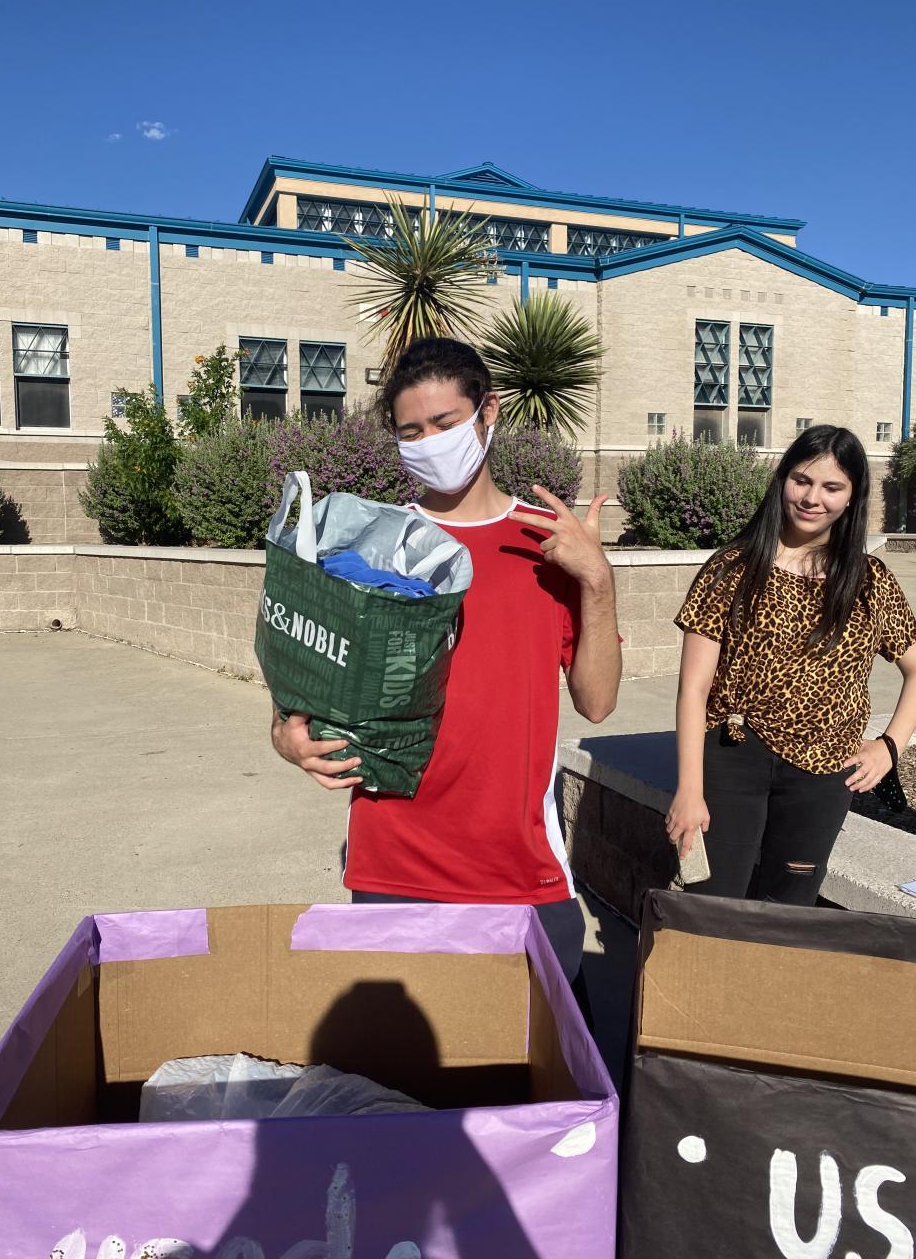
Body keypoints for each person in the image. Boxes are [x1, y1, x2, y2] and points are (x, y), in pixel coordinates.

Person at [271, 337, 622, 982]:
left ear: (488, 413)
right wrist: (287, 738)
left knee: (541, 1044)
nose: (429, 442)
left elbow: (597, 703)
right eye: (411, 432)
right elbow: (304, 689)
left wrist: (597, 580)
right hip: (394, 861)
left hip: (520, 867)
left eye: (445, 422)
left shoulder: (550, 546)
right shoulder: (371, 544)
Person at [666, 424, 916, 904]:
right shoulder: (732, 569)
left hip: (823, 771)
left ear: (852, 496)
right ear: (783, 479)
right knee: (710, 902)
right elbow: (693, 689)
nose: (812, 498)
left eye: (831, 487)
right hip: (732, 757)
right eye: (801, 480)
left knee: (790, 908)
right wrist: (689, 790)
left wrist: (890, 746)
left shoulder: (869, 581)